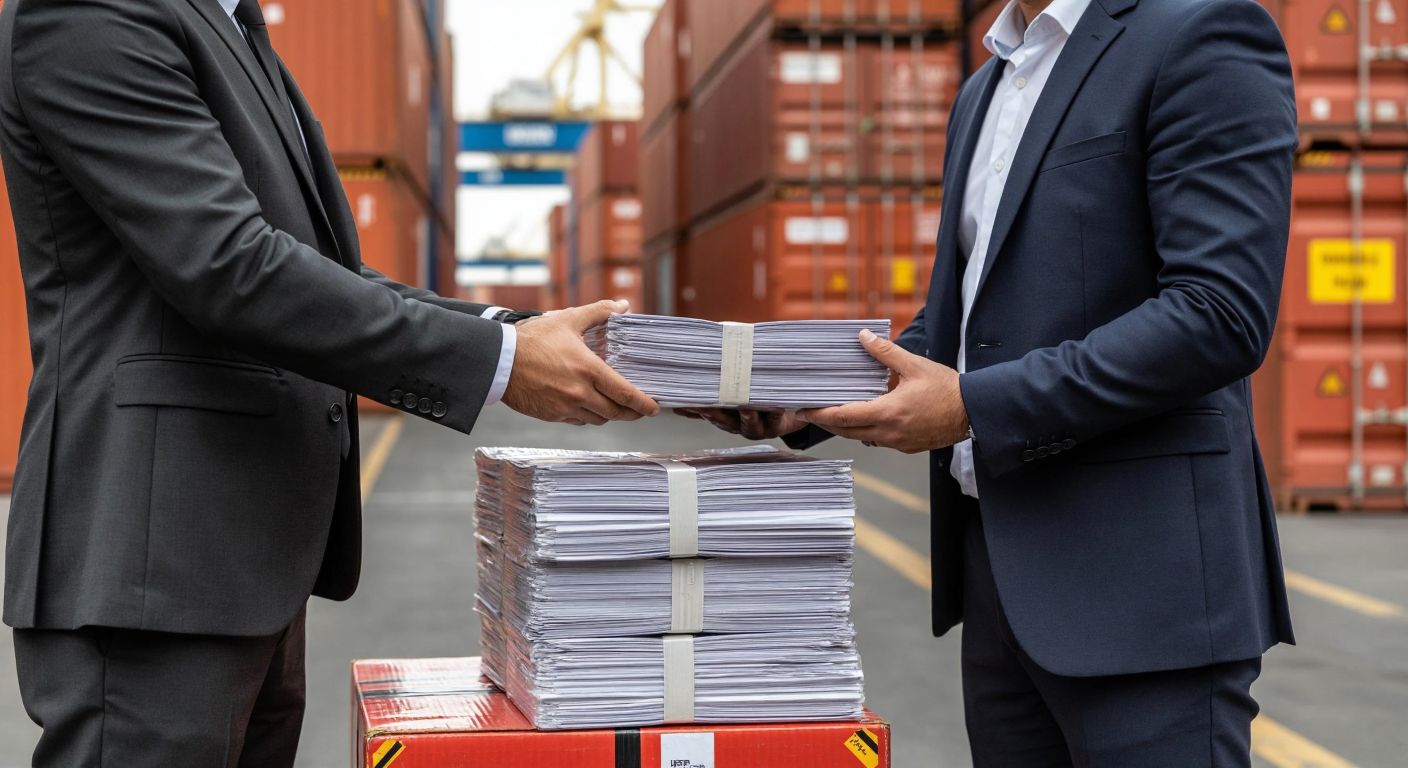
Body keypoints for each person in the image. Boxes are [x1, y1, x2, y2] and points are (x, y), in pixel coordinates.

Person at [0, 0, 658, 764]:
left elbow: (327, 274)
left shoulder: (236, 28)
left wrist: (527, 334)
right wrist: (503, 364)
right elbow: (229, 266)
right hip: (153, 568)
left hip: (244, 563)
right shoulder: (91, 12)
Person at [687, 0, 1297, 764]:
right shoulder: (985, 86)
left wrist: (973, 408)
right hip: (1000, 585)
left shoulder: (1199, 34)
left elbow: (1219, 313)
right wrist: (802, 395)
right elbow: (962, 320)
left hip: (1146, 593)